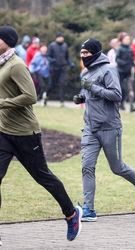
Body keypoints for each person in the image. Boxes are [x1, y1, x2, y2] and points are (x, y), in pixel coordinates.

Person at [0, 25, 82, 241]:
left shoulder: (16, 65)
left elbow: (31, 96)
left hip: (26, 133)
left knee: (43, 177)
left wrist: (2, 103)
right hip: (4, 132)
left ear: (6, 41)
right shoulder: (1, 64)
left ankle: (71, 214)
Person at [73, 38, 135, 221]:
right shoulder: (84, 72)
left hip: (110, 127)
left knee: (117, 168)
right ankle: (88, 209)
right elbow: (90, 95)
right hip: (90, 128)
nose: (83, 56)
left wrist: (92, 87)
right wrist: (82, 98)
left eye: (86, 53)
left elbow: (117, 95)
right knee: (87, 166)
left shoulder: (108, 70)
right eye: (81, 53)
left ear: (95, 53)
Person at [47, 32, 73, 107]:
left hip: (63, 68)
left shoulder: (65, 45)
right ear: (56, 38)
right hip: (54, 68)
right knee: (51, 85)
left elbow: (67, 57)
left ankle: (62, 101)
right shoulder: (52, 45)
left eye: (62, 37)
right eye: (60, 37)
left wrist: (70, 63)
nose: (61, 38)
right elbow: (48, 56)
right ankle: (46, 96)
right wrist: (52, 60)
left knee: (63, 84)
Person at [116, 32, 135, 112]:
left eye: (128, 39)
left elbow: (132, 59)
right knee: (122, 89)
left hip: (128, 72)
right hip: (121, 72)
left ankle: (132, 106)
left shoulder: (130, 49)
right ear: (122, 40)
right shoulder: (119, 49)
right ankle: (121, 104)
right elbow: (117, 59)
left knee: (130, 88)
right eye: (126, 39)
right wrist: (125, 63)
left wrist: (134, 65)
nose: (128, 40)